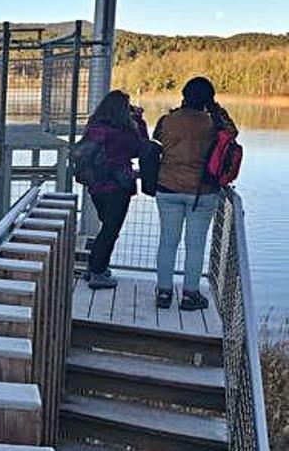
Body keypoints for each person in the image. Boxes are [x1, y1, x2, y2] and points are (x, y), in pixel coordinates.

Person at [153, 77, 238, 310]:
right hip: (202, 191)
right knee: (196, 245)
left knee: (167, 242)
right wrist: (215, 107)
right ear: (209, 98)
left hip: (168, 188)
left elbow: (157, 139)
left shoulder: (167, 120)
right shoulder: (213, 124)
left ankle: (163, 293)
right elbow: (233, 133)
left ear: (184, 94)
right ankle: (190, 294)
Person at [81, 90, 150, 289]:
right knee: (111, 230)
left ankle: (94, 267)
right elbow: (142, 148)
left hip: (95, 186)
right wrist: (139, 119)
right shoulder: (123, 132)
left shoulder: (94, 127)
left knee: (106, 228)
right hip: (117, 187)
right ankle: (97, 273)